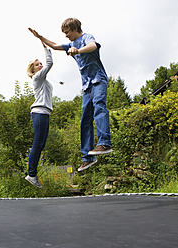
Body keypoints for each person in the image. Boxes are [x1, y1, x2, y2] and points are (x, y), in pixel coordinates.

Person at [29, 17, 112, 172]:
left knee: (99, 107)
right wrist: (39, 37)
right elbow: (54, 46)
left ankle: (104, 143)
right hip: (87, 86)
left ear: (75, 29)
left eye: (67, 32)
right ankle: (87, 157)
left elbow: (93, 46)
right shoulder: (70, 44)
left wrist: (78, 51)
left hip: (98, 80)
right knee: (85, 119)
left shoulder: (86, 38)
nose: (66, 36)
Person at [25, 40, 53, 188]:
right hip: (39, 112)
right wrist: (46, 48)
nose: (41, 65)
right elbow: (50, 64)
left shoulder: (43, 80)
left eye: (40, 63)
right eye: (37, 65)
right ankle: (31, 174)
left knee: (41, 144)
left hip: (45, 113)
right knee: (38, 143)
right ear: (33, 70)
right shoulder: (37, 78)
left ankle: (32, 174)